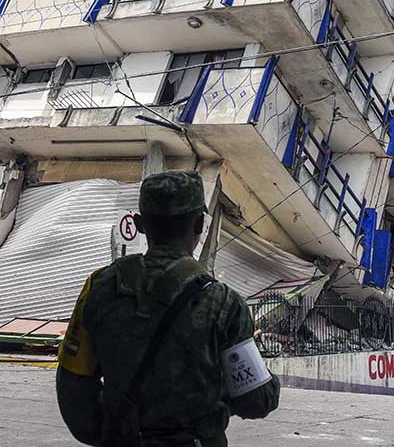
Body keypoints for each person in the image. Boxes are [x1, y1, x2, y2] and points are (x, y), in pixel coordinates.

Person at [56, 170, 280, 446]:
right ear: (199, 224)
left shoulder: (99, 286)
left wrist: (113, 434)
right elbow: (256, 401)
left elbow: (73, 386)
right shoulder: (223, 303)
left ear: (139, 224)